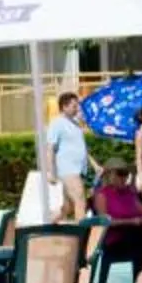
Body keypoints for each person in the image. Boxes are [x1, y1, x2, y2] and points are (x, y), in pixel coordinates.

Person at [48, 91, 91, 221]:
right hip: (68, 169)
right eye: (74, 106)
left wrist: (94, 165)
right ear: (64, 107)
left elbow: (82, 148)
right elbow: (50, 149)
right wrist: (51, 172)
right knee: (80, 200)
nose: (77, 109)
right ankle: (83, 236)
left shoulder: (75, 124)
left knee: (68, 207)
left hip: (78, 170)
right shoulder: (57, 124)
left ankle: (48, 227)